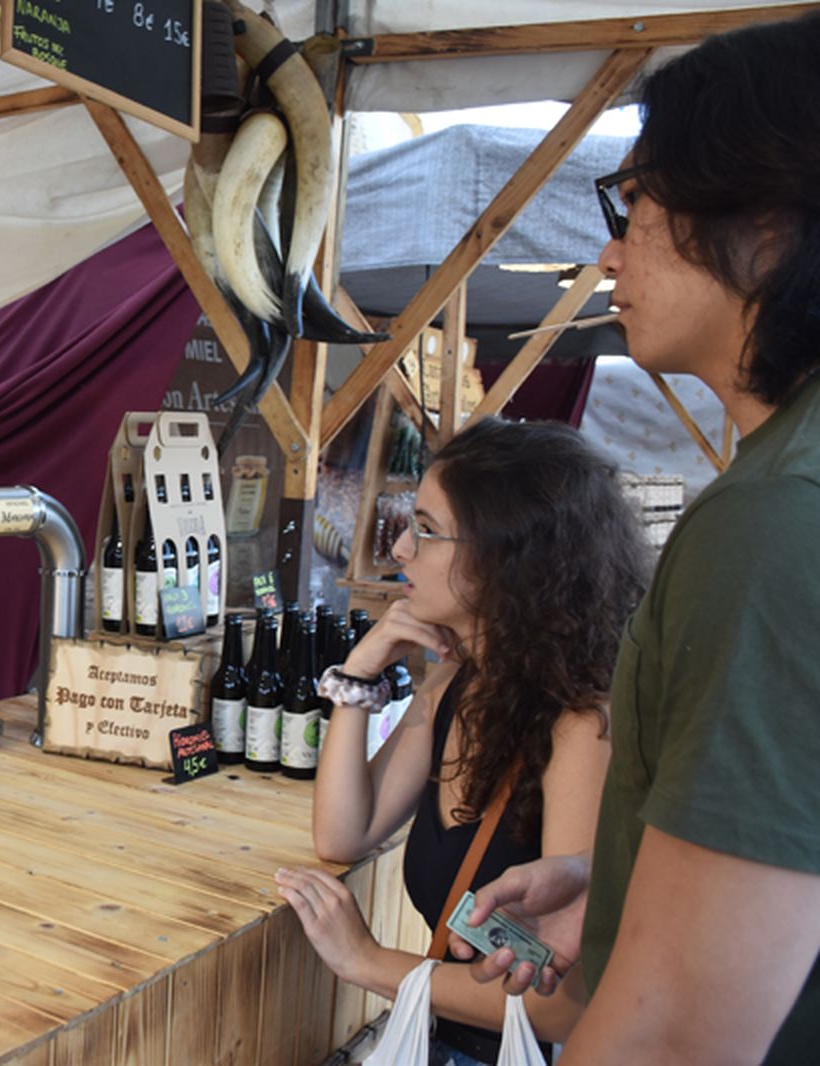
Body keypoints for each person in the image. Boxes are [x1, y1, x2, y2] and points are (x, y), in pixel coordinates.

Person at [448, 12, 820, 1063]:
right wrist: (620, 881)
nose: (609, 247)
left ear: (769, 223)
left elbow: (673, 1040)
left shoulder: (773, 519)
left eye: (635, 200)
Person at [274, 419, 649, 1063]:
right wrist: (359, 672)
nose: (399, 550)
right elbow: (344, 832)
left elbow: (560, 1006)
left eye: (425, 529)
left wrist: (368, 962)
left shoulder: (582, 726)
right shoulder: (457, 683)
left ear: (508, 556)